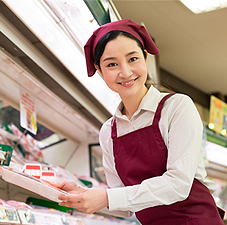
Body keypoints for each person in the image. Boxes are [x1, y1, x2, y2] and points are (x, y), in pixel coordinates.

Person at [54, 19, 225, 224]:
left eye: (132, 59)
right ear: (100, 71)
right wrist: (83, 196)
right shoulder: (108, 131)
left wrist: (106, 197)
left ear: (145, 58)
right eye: (112, 64)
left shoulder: (177, 107)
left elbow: (178, 184)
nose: (125, 72)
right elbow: (125, 207)